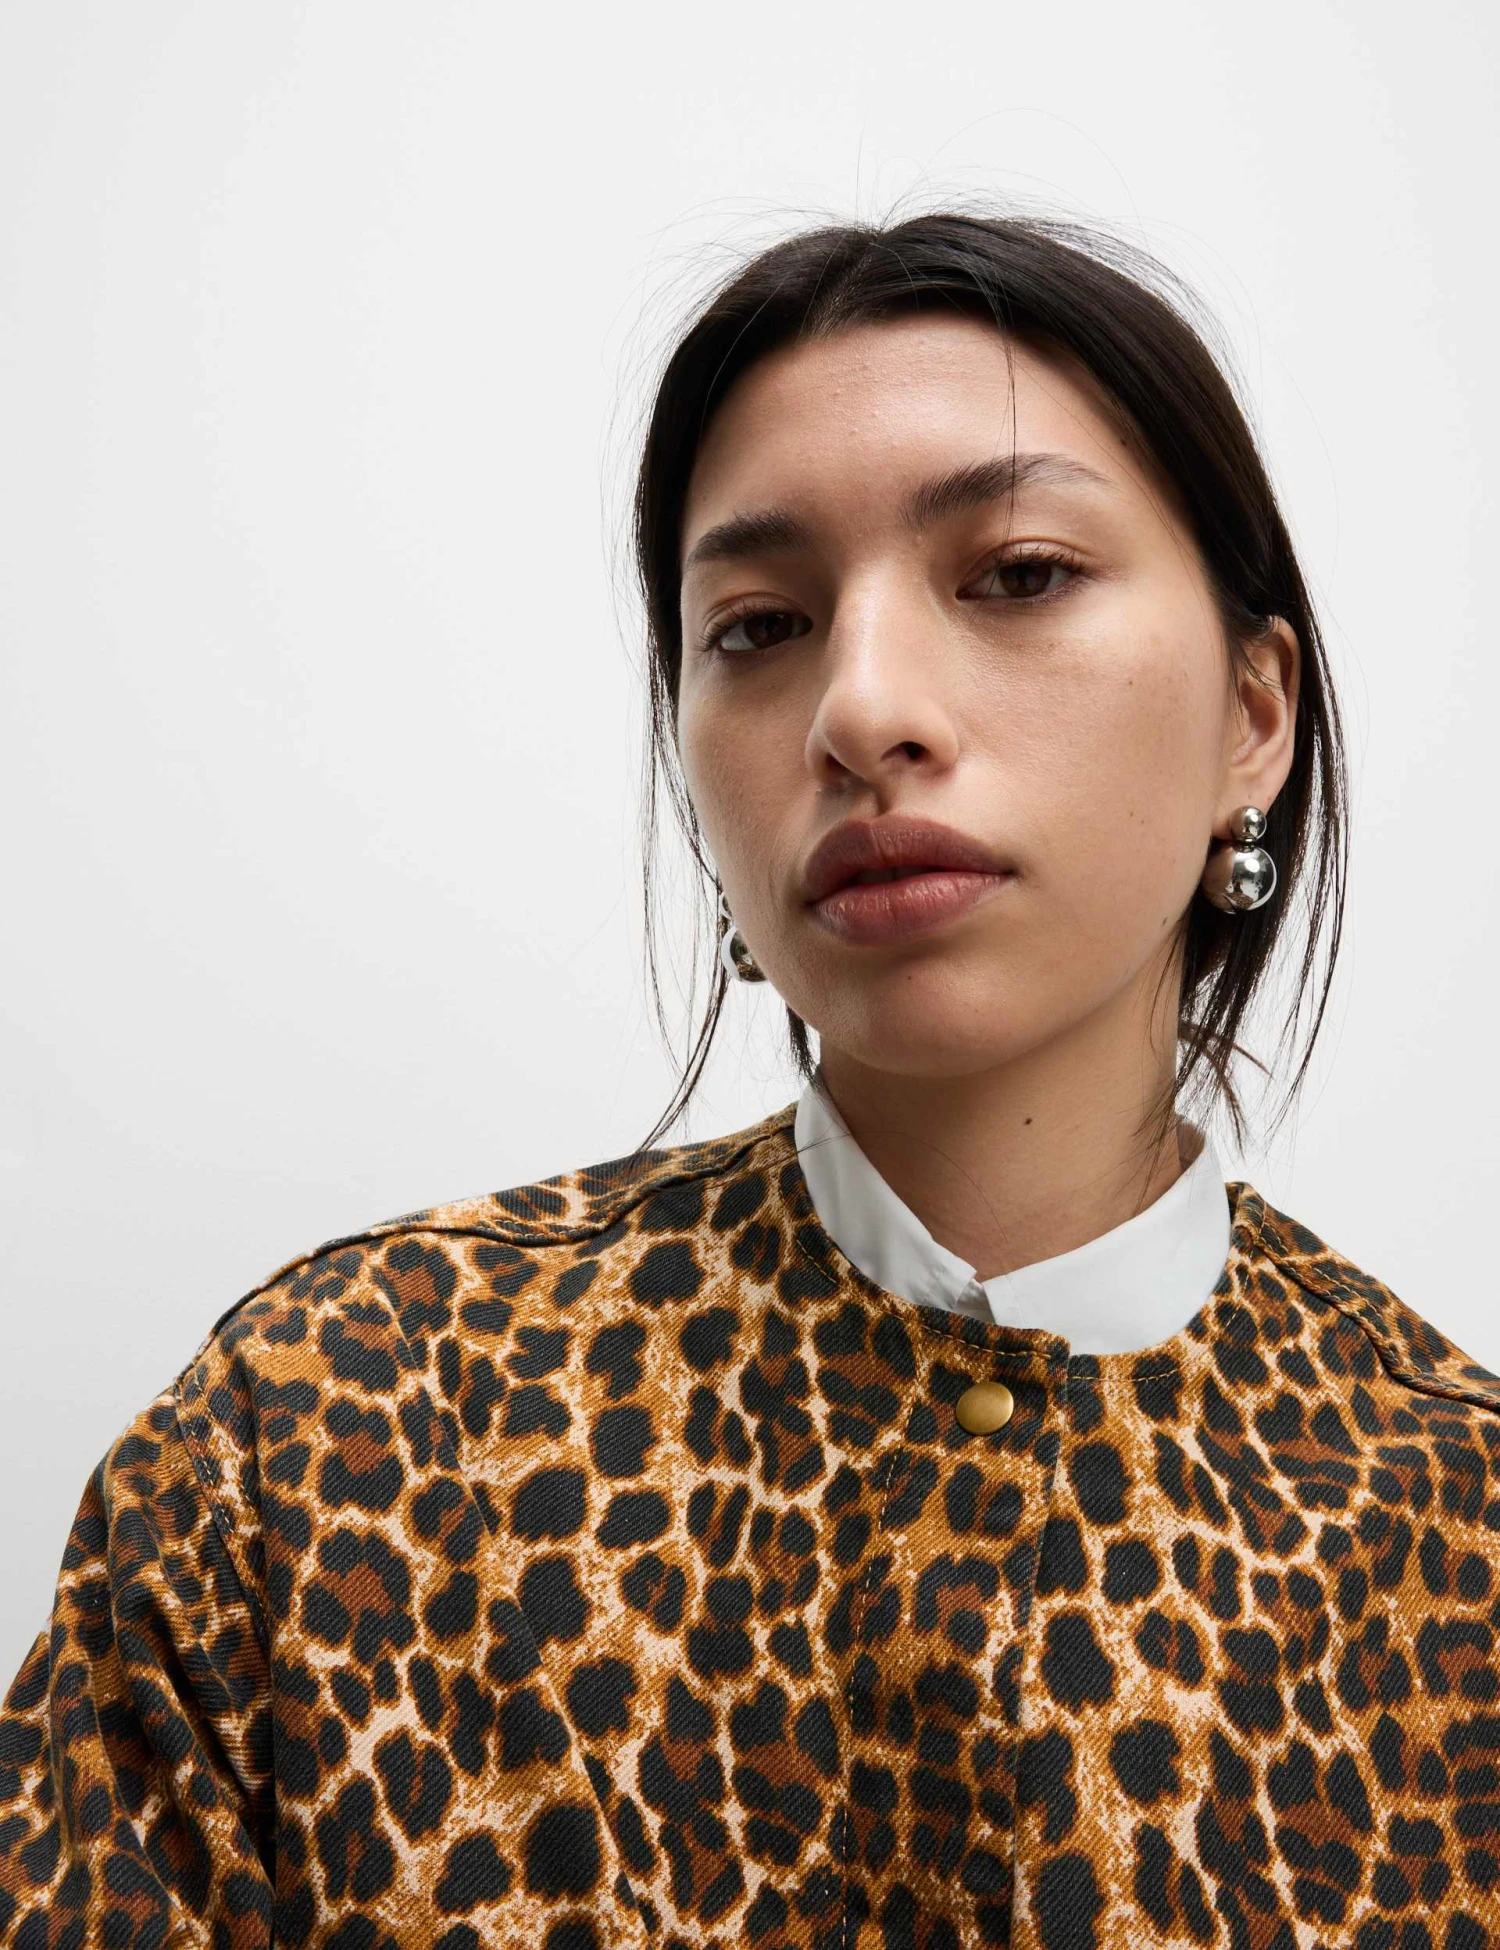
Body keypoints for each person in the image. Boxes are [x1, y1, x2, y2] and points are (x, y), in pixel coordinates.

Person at [3, 208, 1496, 1950]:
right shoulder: (331, 1437)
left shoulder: (1460, 1545)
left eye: (1019, 574)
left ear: (1255, 713)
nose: (860, 709)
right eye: (761, 624)